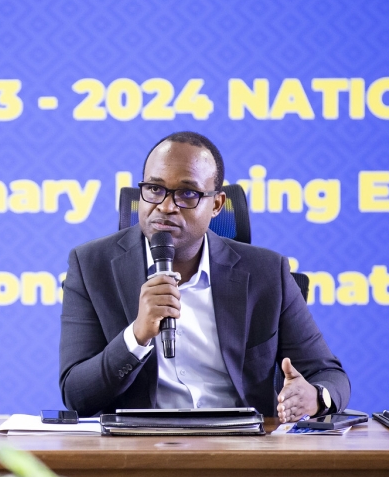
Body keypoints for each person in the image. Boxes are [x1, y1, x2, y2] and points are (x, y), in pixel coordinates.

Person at [59, 132, 349, 421]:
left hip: (241, 449)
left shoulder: (267, 272)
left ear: (216, 205)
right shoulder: (91, 266)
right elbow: (76, 395)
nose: (166, 206)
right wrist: (136, 336)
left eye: (187, 193)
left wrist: (316, 396)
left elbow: (328, 373)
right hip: (139, 449)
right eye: (154, 189)